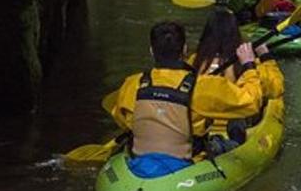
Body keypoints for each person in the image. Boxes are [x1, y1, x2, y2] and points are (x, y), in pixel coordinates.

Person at [105, 21, 263, 177]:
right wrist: (249, 65)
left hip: (139, 159)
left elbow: (122, 119)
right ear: (185, 49)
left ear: (152, 51)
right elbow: (252, 103)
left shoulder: (132, 83)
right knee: (231, 137)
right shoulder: (204, 85)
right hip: (187, 164)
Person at [189, 8, 285, 154]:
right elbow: (275, 90)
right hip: (235, 130)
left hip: (200, 131)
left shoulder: (194, 61)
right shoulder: (245, 63)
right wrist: (265, 56)